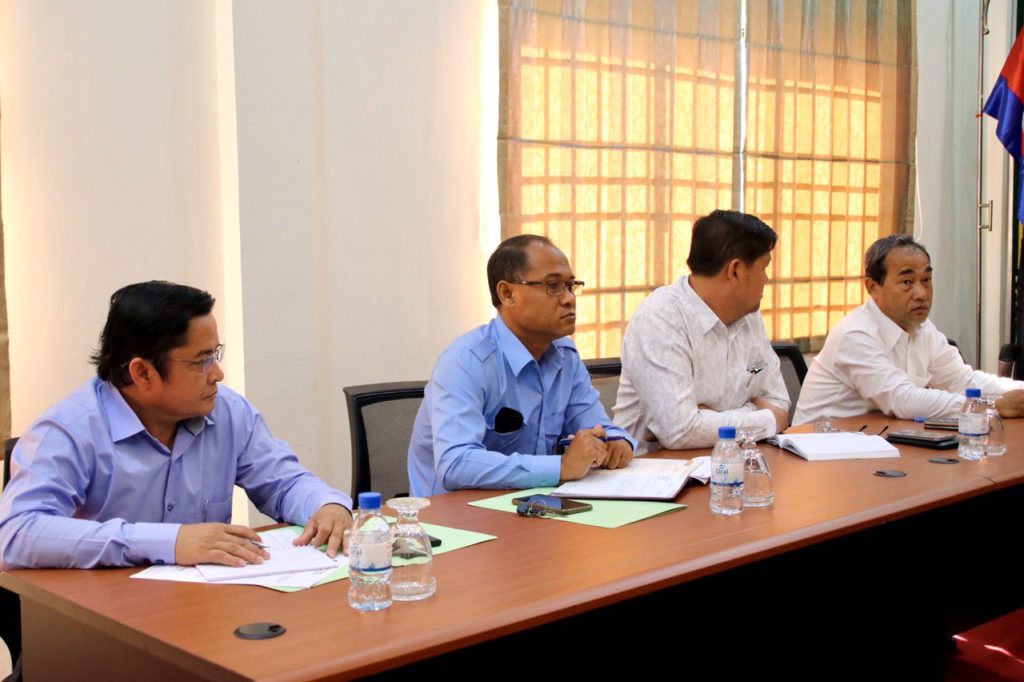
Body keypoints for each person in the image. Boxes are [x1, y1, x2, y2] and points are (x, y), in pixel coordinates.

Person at [0, 281, 353, 570]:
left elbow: (284, 482)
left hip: (202, 609)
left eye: (216, 354)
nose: (218, 374)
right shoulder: (69, 431)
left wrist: (327, 506)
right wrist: (169, 541)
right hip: (102, 619)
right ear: (143, 372)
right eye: (201, 361)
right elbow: (15, 533)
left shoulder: (227, 412)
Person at [407, 235, 636, 496]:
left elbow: (597, 427)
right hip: (453, 516)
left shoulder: (566, 357)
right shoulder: (465, 361)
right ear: (507, 294)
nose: (569, 299)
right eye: (553, 286)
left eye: (571, 286)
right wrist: (561, 467)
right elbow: (455, 464)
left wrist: (617, 442)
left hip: (531, 506)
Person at [794, 234, 1024, 424]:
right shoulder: (855, 334)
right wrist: (991, 406)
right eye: (907, 282)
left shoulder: (923, 329)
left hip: (880, 441)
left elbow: (962, 380)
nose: (922, 293)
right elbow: (902, 399)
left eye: (926, 280)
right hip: (823, 449)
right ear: (873, 287)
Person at [614, 210, 790, 452]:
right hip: (658, 468)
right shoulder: (660, 318)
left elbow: (779, 402)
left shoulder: (748, 315)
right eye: (763, 268)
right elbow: (681, 432)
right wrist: (765, 419)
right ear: (735, 270)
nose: (766, 279)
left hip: (729, 460)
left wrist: (707, 417)